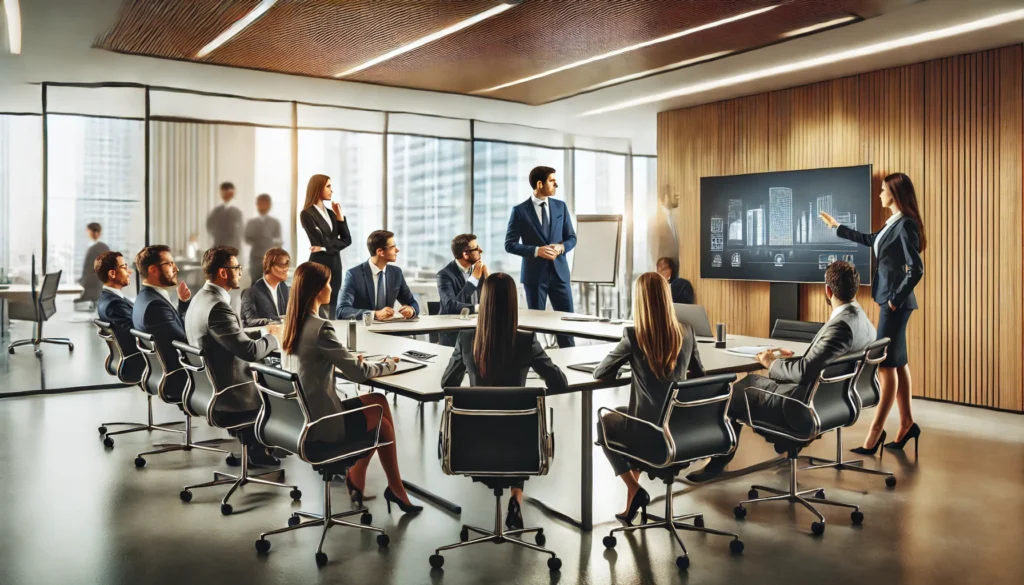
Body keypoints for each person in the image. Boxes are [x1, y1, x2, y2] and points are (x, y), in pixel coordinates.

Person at [687, 261, 875, 482]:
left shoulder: (840, 327)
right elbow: (817, 363)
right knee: (753, 384)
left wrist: (770, 363)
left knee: (738, 390)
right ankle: (783, 442)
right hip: (834, 403)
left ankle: (717, 461)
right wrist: (789, 359)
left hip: (802, 406)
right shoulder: (861, 319)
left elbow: (805, 371)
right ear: (856, 288)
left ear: (828, 290)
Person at [281, 261, 422, 514]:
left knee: (379, 400)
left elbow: (311, 365)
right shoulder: (320, 327)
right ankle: (393, 487)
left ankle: (367, 481)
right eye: (327, 283)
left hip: (299, 419)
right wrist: (388, 364)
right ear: (316, 290)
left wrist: (343, 360)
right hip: (322, 424)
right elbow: (358, 374)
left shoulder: (292, 325)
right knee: (384, 427)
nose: (331, 288)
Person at [441, 272, 568, 530]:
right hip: (520, 447)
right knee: (520, 427)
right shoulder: (526, 341)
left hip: (473, 444)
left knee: (506, 426)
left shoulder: (466, 339)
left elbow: (448, 383)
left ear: (484, 301)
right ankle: (515, 498)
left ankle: (514, 498)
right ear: (513, 303)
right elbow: (559, 383)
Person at [820, 172, 926, 454]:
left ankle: (875, 434)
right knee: (899, 363)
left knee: (885, 366)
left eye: (882, 190)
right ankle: (906, 424)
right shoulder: (894, 222)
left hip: (895, 305)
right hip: (892, 302)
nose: (879, 194)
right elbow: (869, 239)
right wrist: (837, 227)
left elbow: (917, 269)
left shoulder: (906, 226)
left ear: (894, 192)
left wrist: (894, 299)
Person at [593, 272, 704, 523]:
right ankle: (632, 502)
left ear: (640, 302)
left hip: (648, 432)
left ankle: (634, 489)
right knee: (629, 414)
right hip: (680, 429)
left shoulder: (634, 336)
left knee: (605, 423)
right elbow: (700, 376)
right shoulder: (686, 332)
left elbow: (601, 371)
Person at [184, 246, 280, 467]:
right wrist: (274, 337)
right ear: (223, 272)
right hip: (230, 396)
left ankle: (256, 448)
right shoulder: (218, 307)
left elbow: (229, 337)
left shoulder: (202, 298)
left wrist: (258, 333)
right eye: (237, 267)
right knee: (284, 384)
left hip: (206, 390)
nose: (240, 272)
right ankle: (274, 445)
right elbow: (250, 352)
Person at [504, 166, 577, 347]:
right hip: (534, 276)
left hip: (560, 274)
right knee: (534, 326)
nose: (556, 184)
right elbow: (510, 244)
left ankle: (569, 363)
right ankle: (534, 366)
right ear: (539, 183)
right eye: (552, 180)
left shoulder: (560, 206)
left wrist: (561, 247)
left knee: (567, 324)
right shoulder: (520, 211)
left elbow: (572, 238)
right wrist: (536, 251)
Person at [132, 245, 192, 374]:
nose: (176, 268)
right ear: (153, 270)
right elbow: (184, 342)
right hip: (180, 374)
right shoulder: (155, 307)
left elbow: (175, 330)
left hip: (160, 372)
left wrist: (183, 303)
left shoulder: (144, 298)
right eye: (170, 264)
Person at [299, 175, 351, 319]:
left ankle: (332, 334)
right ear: (317, 188)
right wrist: (327, 245)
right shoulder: (306, 214)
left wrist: (340, 217)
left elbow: (347, 240)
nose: (331, 190)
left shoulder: (331, 213)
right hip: (319, 265)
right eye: (328, 186)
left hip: (335, 265)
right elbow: (321, 240)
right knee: (319, 305)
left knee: (333, 304)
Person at [337, 230, 419, 321]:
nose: (397, 250)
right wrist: (374, 314)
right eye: (393, 247)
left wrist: (411, 310)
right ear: (380, 252)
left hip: (390, 330)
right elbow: (342, 310)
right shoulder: (353, 275)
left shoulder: (396, 273)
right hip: (364, 331)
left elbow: (412, 302)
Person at [95, 251, 141, 377]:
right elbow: (135, 336)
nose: (129, 272)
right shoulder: (114, 305)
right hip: (137, 363)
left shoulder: (106, 299)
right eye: (124, 268)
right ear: (112, 274)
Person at [435, 233, 487, 345]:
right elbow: (451, 306)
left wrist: (488, 278)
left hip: (477, 332)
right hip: (454, 336)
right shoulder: (444, 275)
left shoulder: (478, 271)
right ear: (466, 254)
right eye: (476, 248)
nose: (480, 250)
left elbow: (492, 300)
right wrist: (473, 279)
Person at [241, 248, 290, 327]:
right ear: (269, 266)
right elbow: (249, 321)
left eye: (287, 264)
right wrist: (272, 321)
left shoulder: (286, 289)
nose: (286, 269)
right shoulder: (251, 292)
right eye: (282, 264)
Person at [243, 193, 283, 282]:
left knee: (270, 283)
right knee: (255, 282)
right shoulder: (251, 222)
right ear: (257, 205)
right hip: (255, 258)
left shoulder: (275, 223)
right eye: (260, 203)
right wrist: (257, 238)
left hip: (271, 259)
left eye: (265, 204)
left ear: (269, 206)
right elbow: (246, 239)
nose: (263, 206)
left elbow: (278, 241)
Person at [206, 182, 244, 249]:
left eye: (227, 191)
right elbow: (209, 226)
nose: (224, 194)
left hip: (233, 247)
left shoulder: (238, 210)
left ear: (232, 192)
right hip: (218, 245)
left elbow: (239, 231)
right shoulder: (216, 211)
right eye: (222, 191)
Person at [78, 223, 110, 303]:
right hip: (92, 284)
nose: (87, 234)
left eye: (88, 231)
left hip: (94, 285)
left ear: (95, 233)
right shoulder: (95, 246)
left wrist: (84, 281)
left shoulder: (101, 247)